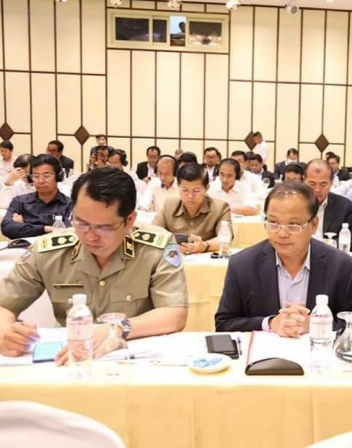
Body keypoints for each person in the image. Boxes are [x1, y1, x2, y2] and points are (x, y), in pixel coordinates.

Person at [0, 167, 188, 359]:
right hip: (70, 358)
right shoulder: (48, 251)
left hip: (135, 357)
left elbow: (174, 313)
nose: (90, 236)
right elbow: (4, 305)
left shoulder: (156, 247)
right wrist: (6, 334)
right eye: (81, 223)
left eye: (104, 228)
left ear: (129, 220)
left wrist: (118, 328)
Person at [215, 182, 352, 333]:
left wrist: (317, 325)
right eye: (273, 223)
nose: (282, 233)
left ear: (314, 225)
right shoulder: (242, 264)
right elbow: (224, 324)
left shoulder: (342, 266)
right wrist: (269, 323)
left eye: (293, 225)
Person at [152, 164, 231, 255]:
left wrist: (205, 245)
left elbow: (226, 238)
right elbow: (154, 232)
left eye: (196, 191)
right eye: (185, 190)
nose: (190, 196)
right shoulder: (169, 205)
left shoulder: (220, 207)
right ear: (178, 186)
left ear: (207, 188)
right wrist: (170, 244)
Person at [1, 154, 72, 239]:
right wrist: (46, 228)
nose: (40, 181)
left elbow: (69, 232)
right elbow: (7, 228)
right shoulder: (20, 201)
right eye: (36, 176)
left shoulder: (69, 204)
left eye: (46, 176)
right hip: (24, 246)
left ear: (58, 177)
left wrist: (24, 226)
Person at [304, 159, 352, 241]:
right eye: (312, 184)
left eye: (323, 184)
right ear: (303, 181)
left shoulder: (344, 206)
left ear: (331, 183)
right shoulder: (292, 204)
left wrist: (329, 243)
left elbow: (348, 239)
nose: (317, 190)